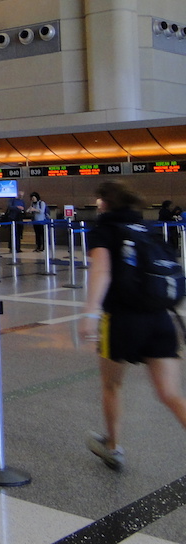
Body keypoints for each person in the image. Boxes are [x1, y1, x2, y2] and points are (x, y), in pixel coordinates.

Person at [78, 181, 186, 470]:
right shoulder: (146, 229)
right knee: (171, 394)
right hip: (160, 318)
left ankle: (113, 447)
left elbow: (101, 271)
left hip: (121, 320)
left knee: (112, 385)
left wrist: (90, 313)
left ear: (104, 203)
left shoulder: (105, 229)